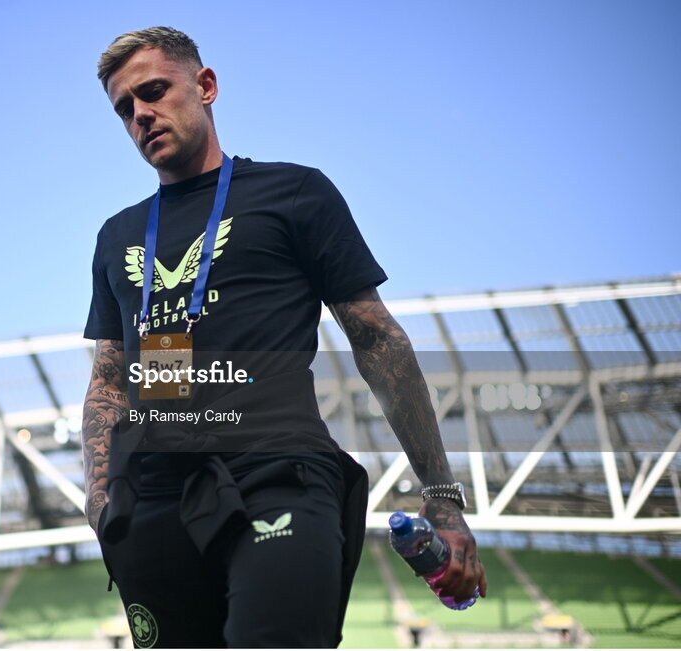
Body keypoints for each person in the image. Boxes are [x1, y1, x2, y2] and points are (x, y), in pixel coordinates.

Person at [82, 26, 487, 648]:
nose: (141, 114)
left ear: (206, 86)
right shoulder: (118, 235)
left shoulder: (293, 193)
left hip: (278, 475)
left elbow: (376, 339)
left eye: (154, 91)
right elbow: (109, 379)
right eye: (124, 108)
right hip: (157, 499)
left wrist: (441, 495)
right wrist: (102, 499)